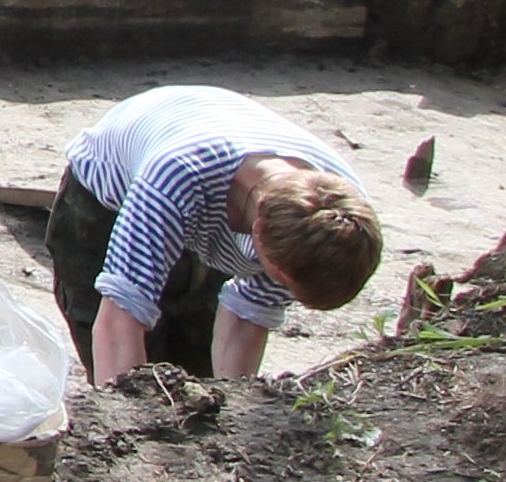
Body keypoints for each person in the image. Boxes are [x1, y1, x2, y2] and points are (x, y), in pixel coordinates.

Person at [49, 85, 382, 383]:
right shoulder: (174, 178)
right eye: (281, 280)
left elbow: (248, 315)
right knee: (130, 366)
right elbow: (119, 323)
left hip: (214, 196)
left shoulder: (338, 216)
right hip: (108, 194)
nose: (282, 290)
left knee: (193, 374)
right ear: (259, 232)